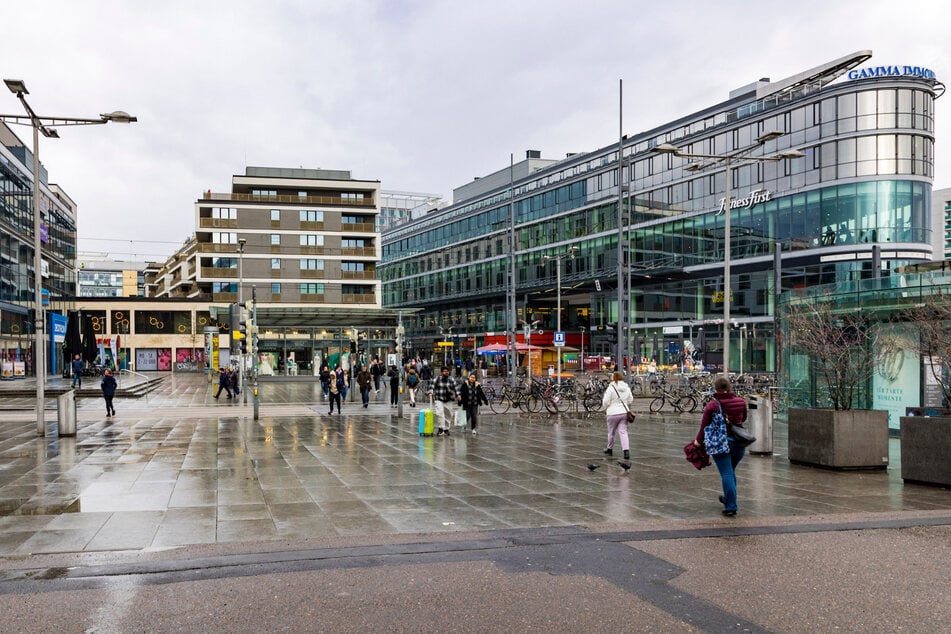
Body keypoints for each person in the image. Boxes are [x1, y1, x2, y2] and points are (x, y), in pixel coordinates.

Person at [693, 374, 749, 517]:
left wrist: (698, 442)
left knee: (727, 473)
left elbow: (704, 425)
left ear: (716, 388)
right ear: (729, 387)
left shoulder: (712, 405)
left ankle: (731, 505)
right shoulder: (741, 402)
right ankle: (728, 498)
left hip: (721, 443)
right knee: (730, 471)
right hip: (739, 443)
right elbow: (743, 418)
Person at [601, 371, 634, 460]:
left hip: (612, 413)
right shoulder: (626, 387)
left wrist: (607, 406)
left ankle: (609, 449)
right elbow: (630, 399)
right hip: (624, 413)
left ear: (614, 378)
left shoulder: (611, 388)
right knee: (623, 432)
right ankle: (626, 451)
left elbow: (605, 402)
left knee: (611, 432)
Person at [430, 366, 458, 436]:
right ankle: (440, 428)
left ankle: (446, 429)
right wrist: (430, 392)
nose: (447, 373)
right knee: (440, 413)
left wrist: (458, 395)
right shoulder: (437, 379)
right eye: (445, 371)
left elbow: (456, 388)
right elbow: (432, 386)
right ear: (442, 372)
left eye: (447, 371)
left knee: (448, 415)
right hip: (439, 399)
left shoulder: (451, 379)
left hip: (449, 400)